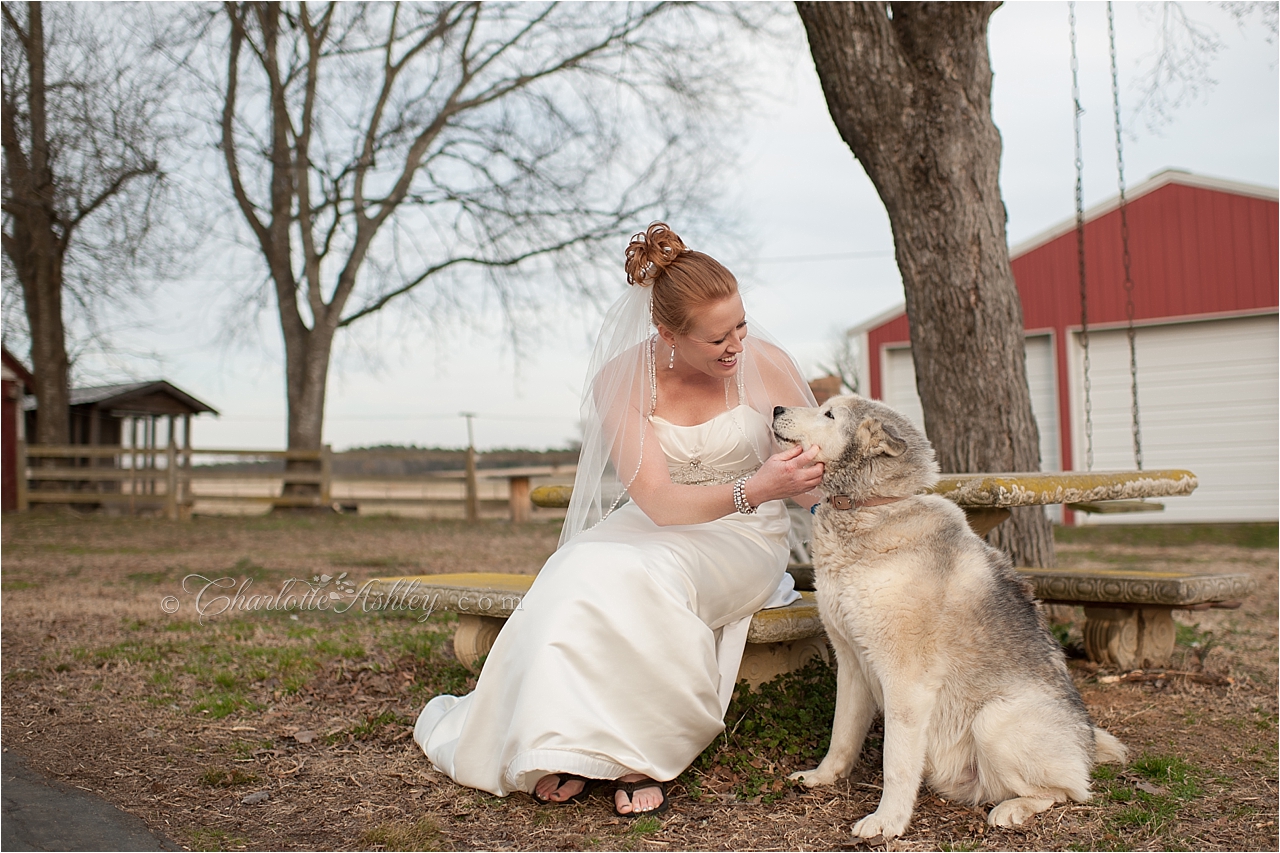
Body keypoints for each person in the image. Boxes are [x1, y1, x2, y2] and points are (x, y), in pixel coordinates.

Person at [413, 222, 824, 817]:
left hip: (743, 536)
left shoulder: (769, 364)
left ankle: (637, 753)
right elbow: (656, 500)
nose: (737, 345)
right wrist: (755, 485)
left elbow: (812, 473)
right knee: (577, 565)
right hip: (661, 520)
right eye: (717, 340)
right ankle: (561, 742)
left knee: (642, 577)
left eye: (740, 324)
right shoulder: (622, 379)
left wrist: (827, 500)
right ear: (668, 335)